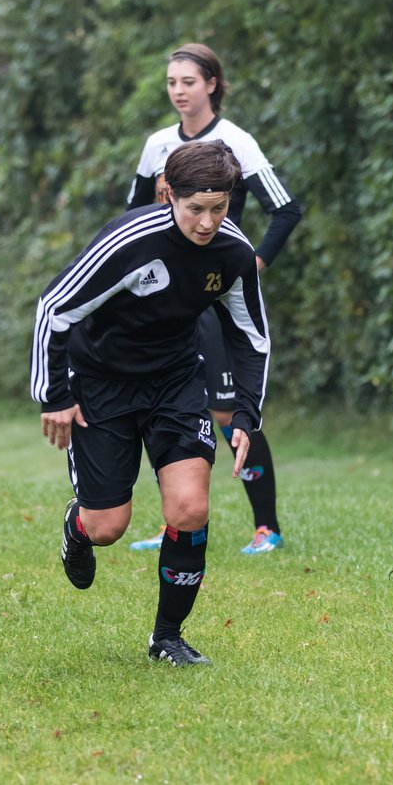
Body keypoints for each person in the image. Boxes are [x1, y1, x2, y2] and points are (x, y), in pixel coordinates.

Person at [33, 140, 270, 666]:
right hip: (101, 384)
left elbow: (251, 336)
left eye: (219, 207)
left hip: (176, 383)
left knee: (190, 508)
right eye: (195, 209)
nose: (208, 222)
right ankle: (78, 525)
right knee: (108, 527)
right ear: (168, 195)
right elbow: (55, 308)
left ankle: (167, 637)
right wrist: (55, 395)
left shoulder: (231, 252)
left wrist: (248, 414)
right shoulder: (129, 241)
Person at [125, 43, 302, 556]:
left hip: (212, 299)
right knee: (161, 399)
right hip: (162, 298)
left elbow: (285, 210)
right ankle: (173, 520)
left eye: (188, 81)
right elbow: (132, 216)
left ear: (212, 84)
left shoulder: (236, 142)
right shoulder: (158, 144)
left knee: (228, 413)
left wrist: (250, 267)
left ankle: (266, 526)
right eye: (171, 83)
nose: (178, 91)